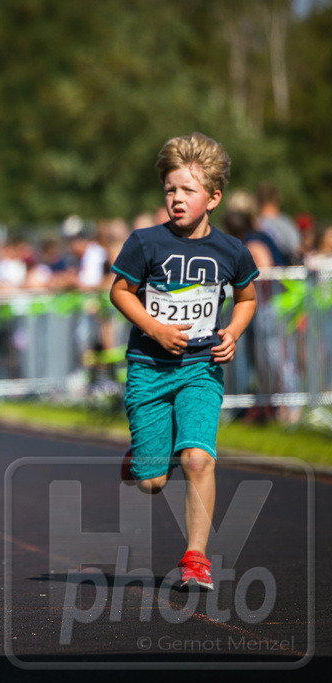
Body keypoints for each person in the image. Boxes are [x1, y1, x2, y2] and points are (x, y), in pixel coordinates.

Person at [110, 132, 258, 591]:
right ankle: (145, 456)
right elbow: (119, 291)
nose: (177, 199)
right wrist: (153, 327)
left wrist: (232, 331)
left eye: (188, 191)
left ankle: (196, 559)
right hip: (149, 369)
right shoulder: (144, 243)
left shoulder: (231, 250)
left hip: (200, 368)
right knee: (152, 482)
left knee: (197, 460)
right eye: (171, 189)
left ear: (213, 197)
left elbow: (248, 297)